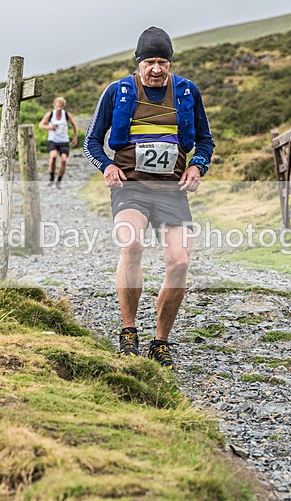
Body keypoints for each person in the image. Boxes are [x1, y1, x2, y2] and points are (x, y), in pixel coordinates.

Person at [83, 27, 215, 370]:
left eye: (163, 62)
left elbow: (205, 141)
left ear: (170, 63)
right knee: (131, 244)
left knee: (180, 261)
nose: (156, 69)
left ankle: (160, 341)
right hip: (132, 187)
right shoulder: (118, 91)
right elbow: (91, 142)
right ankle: (129, 332)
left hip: (172, 190)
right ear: (139, 63)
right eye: (150, 62)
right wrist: (107, 166)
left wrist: (197, 168)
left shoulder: (187, 92)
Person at [39, 97, 78, 189]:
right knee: (53, 157)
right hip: (53, 140)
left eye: (60, 106)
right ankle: (51, 178)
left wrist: (75, 137)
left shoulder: (67, 115)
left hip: (64, 141)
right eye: (57, 106)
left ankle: (59, 181)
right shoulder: (50, 114)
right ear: (54, 106)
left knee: (64, 160)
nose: (58, 108)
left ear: (63, 107)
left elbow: (74, 124)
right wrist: (50, 127)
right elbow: (41, 125)